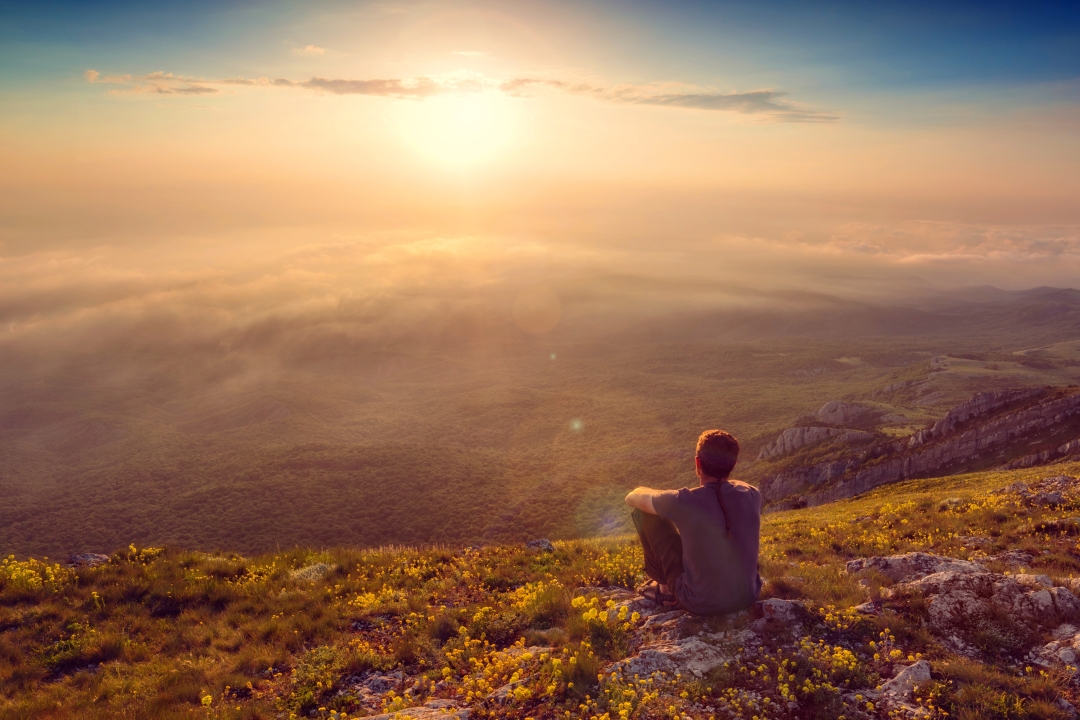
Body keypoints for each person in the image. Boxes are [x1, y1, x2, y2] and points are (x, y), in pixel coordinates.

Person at [624, 429, 762, 615]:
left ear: (697, 462)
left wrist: (664, 497)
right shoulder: (752, 494)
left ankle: (665, 593)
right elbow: (734, 486)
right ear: (733, 465)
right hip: (747, 596)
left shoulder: (685, 501)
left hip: (700, 603)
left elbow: (632, 498)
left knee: (646, 514)